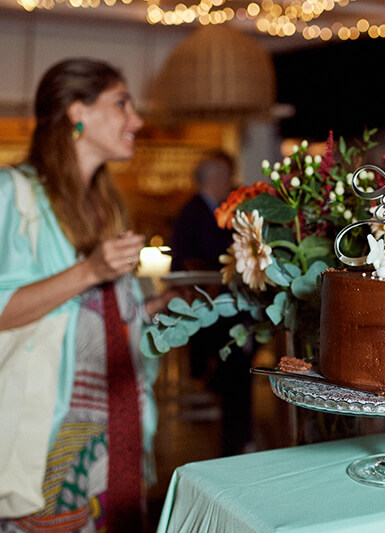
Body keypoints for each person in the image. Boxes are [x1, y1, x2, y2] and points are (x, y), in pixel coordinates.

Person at [0, 58, 172, 530]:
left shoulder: (105, 204)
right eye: (122, 103)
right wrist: (90, 270)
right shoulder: (12, 193)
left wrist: (153, 311)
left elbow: (95, 314)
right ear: (77, 110)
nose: (135, 120)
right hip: (50, 430)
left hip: (115, 420)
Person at [169, 151, 255, 456]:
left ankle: (240, 437)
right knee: (237, 359)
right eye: (227, 177)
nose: (231, 183)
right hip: (204, 314)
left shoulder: (211, 211)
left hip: (218, 308)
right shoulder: (194, 213)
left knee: (244, 350)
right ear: (216, 179)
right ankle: (237, 442)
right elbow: (189, 267)